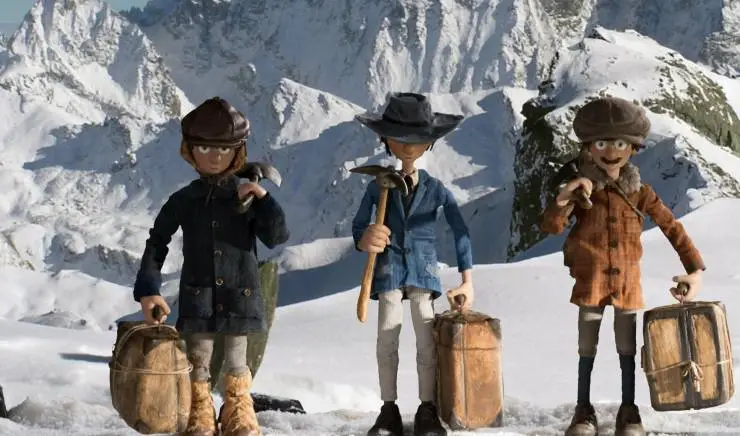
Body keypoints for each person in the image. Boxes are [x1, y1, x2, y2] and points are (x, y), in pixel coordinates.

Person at [540, 96, 706, 436]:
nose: (611, 152)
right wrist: (565, 197)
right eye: (602, 144)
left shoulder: (641, 193)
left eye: (619, 144)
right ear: (589, 148)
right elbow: (552, 226)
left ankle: (628, 409)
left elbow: (671, 226)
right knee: (587, 347)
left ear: (632, 148)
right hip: (591, 281)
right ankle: (583, 409)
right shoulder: (584, 191)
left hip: (627, 284)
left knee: (627, 348)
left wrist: (694, 268)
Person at [133, 97, 290, 436]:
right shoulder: (184, 200)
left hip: (239, 292)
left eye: (224, 148)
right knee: (198, 358)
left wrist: (263, 199)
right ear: (190, 151)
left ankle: (238, 409)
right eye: (205, 148)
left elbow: (277, 236)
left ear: (238, 151)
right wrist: (148, 290)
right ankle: (199, 409)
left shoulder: (247, 196)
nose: (215, 156)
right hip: (199, 295)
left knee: (237, 358)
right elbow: (157, 242)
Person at [352, 92, 474, 436]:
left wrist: (467, 278)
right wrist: (365, 238)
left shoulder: (435, 189)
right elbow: (359, 226)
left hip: (423, 270)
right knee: (387, 337)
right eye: (399, 138)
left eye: (417, 139)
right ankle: (388, 408)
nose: (407, 146)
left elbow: (460, 230)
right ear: (386, 140)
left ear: (429, 143)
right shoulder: (378, 187)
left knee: (426, 340)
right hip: (389, 269)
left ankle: (427, 408)